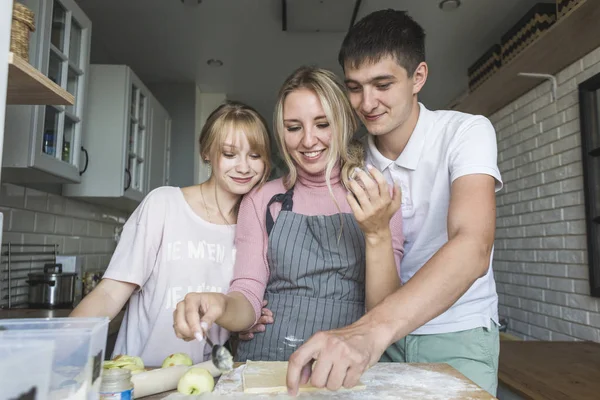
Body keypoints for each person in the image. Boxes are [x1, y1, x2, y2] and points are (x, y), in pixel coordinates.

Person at [286, 9, 503, 396]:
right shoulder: (348, 160)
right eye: (354, 87)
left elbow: (473, 246)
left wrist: (369, 333)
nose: (367, 102)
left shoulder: (466, 132)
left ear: (418, 77)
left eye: (382, 84)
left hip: (456, 331)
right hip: (376, 334)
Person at [172, 66, 404, 362]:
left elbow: (385, 311)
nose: (308, 141)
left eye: (322, 124)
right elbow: (248, 292)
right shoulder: (262, 199)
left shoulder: (376, 195)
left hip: (352, 364)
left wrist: (376, 233)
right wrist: (221, 306)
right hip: (269, 362)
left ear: (344, 123)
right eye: (294, 127)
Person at [70, 101, 274, 367]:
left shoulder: (256, 228)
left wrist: (245, 319)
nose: (244, 167)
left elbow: (240, 305)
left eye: (255, 156)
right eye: (230, 153)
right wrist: (59, 349)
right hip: (139, 376)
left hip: (206, 381)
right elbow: (109, 294)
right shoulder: (164, 205)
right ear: (206, 152)